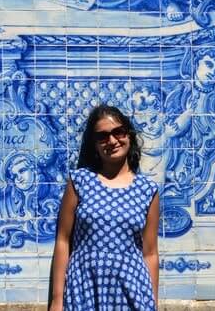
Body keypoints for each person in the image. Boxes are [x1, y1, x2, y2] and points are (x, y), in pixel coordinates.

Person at [48, 105, 159, 311]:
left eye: (118, 132)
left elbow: (150, 253)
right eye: (102, 136)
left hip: (132, 289)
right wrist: (56, 300)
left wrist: (153, 302)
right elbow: (63, 240)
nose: (112, 140)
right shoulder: (79, 181)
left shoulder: (147, 190)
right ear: (95, 144)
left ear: (129, 135)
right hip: (84, 288)